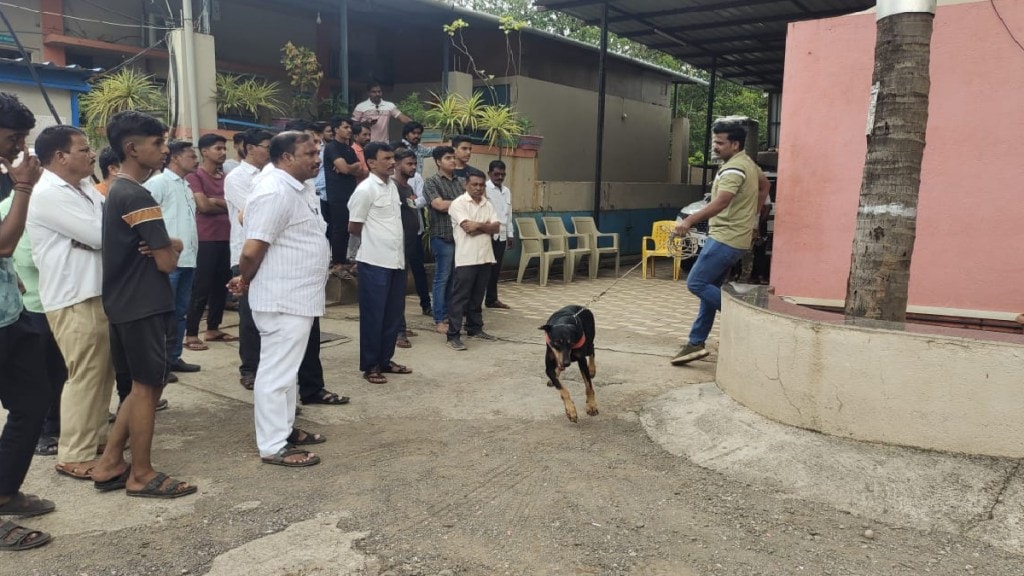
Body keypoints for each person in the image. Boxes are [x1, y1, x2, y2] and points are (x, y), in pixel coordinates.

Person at [90, 110, 197, 498]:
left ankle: (110, 463)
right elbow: (169, 260)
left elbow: (161, 250)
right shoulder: (138, 194)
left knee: (137, 388)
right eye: (158, 144)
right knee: (149, 389)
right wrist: (172, 245)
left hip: (122, 303)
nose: (164, 150)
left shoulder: (116, 190)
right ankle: (141, 473)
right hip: (145, 303)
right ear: (132, 148)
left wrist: (164, 246)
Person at [231, 131, 328, 467]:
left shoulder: (296, 187)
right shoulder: (274, 190)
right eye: (310, 153)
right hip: (282, 297)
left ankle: (284, 430)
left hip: (297, 296)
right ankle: (272, 444)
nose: (317, 159)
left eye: (318, 152)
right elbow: (252, 247)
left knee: (287, 372)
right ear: (286, 158)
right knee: (275, 373)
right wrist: (245, 278)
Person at [26, 126, 114, 481]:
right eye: (84, 149)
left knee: (101, 372)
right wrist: (95, 238)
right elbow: (100, 235)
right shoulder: (47, 192)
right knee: (84, 374)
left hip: (96, 290)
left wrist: (96, 238)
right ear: (61, 156)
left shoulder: (84, 189)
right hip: (73, 295)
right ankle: (74, 453)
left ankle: (94, 440)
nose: (92, 154)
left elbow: (110, 228)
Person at [0, 92, 56, 551]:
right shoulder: (13, 180)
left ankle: (4, 492)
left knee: (34, 397)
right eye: (13, 137)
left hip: (7, 312)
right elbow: (1, 242)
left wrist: (12, 275)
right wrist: (23, 187)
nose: (18, 148)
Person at [671, 121, 761, 365]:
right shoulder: (748, 164)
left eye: (720, 143)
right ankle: (695, 343)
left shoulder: (734, 170)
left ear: (735, 144)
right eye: (715, 142)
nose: (715, 147)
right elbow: (766, 186)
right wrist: (753, 220)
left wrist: (688, 221)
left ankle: (749, 319)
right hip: (734, 237)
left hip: (725, 238)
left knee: (696, 283)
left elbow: (721, 202)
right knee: (707, 288)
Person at [0, 193, 65, 458]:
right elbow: (21, 254)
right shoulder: (9, 205)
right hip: (32, 303)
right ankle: (44, 432)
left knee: (57, 371)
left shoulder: (53, 199)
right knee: (40, 376)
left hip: (48, 301)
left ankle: (56, 424)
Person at [348, 142, 412, 383]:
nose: (392, 162)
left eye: (393, 157)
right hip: (374, 261)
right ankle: (371, 365)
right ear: (371, 162)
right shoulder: (365, 190)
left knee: (392, 314)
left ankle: (385, 360)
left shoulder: (392, 188)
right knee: (374, 315)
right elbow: (354, 226)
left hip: (395, 260)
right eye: (386, 158)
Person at [144, 140, 201, 374]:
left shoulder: (186, 186)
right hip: (168, 261)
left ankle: (174, 357)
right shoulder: (158, 183)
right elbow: (145, 218)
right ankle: (160, 363)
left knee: (180, 312)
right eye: (191, 155)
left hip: (187, 259)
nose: (196, 160)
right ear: (175, 158)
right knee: (163, 314)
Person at [184, 133, 235, 351]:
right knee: (201, 286)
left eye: (224, 149)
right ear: (204, 151)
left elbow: (238, 205)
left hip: (227, 237)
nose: (223, 152)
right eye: (218, 148)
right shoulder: (195, 176)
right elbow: (203, 206)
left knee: (221, 285)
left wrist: (217, 202)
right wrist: (224, 205)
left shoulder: (227, 177)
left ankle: (213, 328)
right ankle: (191, 333)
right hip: (206, 238)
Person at [445, 169, 500, 351]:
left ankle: (475, 328)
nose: (478, 188)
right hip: (466, 258)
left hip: (485, 256)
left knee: (478, 296)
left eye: (481, 185)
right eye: (474, 184)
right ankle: (453, 334)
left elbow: (497, 228)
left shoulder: (487, 203)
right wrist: (485, 227)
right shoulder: (458, 204)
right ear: (465, 185)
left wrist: (479, 226)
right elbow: (468, 228)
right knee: (460, 297)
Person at [423, 146, 462, 334]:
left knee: (454, 279)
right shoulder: (431, 182)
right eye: (448, 158)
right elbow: (438, 205)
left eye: (453, 157)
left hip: (459, 237)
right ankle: (439, 318)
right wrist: (461, 203)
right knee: (442, 278)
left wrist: (453, 204)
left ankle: (448, 315)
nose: (452, 161)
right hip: (442, 236)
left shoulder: (460, 182)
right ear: (438, 161)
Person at [391, 141, 431, 317]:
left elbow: (420, 200)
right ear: (397, 164)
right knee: (397, 284)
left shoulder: (408, 187)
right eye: (409, 164)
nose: (413, 167)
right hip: (396, 242)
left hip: (412, 238)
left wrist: (415, 200)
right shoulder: (392, 187)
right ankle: (398, 329)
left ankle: (423, 307)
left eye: (415, 163)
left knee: (415, 272)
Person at [324, 117, 366, 277]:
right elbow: (344, 169)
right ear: (336, 129)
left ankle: (347, 260)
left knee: (350, 228)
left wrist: (349, 167)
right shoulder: (332, 147)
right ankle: (338, 263)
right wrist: (349, 168)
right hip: (337, 193)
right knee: (339, 228)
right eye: (346, 127)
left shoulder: (348, 148)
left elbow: (361, 169)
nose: (349, 130)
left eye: (350, 127)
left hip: (351, 192)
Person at [484, 160, 514, 309]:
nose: (500, 177)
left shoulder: (507, 191)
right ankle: (473, 302)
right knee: (484, 269)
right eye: (496, 174)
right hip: (488, 234)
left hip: (501, 235)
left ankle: (491, 299)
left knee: (496, 269)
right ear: (490, 173)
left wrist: (510, 234)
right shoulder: (484, 189)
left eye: (502, 174)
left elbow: (509, 214)